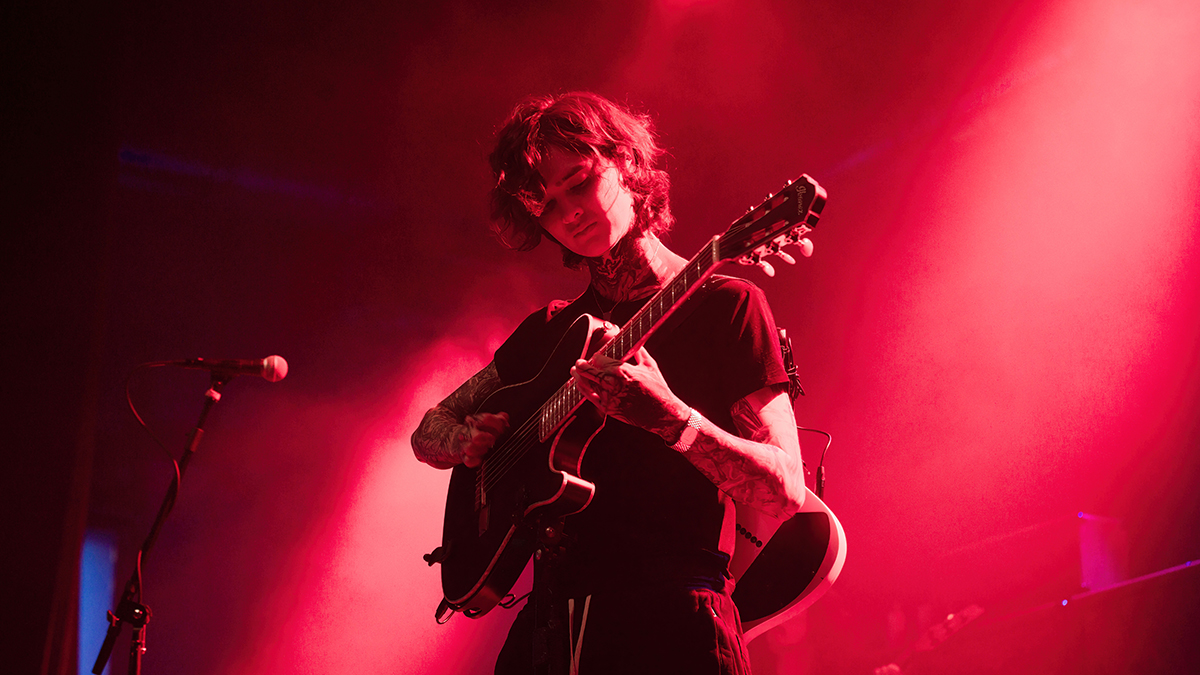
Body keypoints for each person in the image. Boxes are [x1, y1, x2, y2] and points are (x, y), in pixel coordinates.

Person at [411, 91, 806, 674]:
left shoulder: (726, 305)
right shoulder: (549, 332)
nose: (568, 213)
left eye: (578, 183)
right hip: (553, 628)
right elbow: (427, 431)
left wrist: (673, 420)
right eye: (544, 206)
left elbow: (785, 490)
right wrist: (469, 442)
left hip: (677, 626)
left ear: (626, 163)